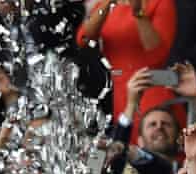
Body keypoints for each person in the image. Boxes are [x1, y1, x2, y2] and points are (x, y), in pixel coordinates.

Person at [76, 0, 178, 129]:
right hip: (119, 95)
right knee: (123, 143)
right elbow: (83, 40)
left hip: (149, 92)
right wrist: (107, 3)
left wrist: (138, 13)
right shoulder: (106, 6)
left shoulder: (160, 3)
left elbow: (157, 57)